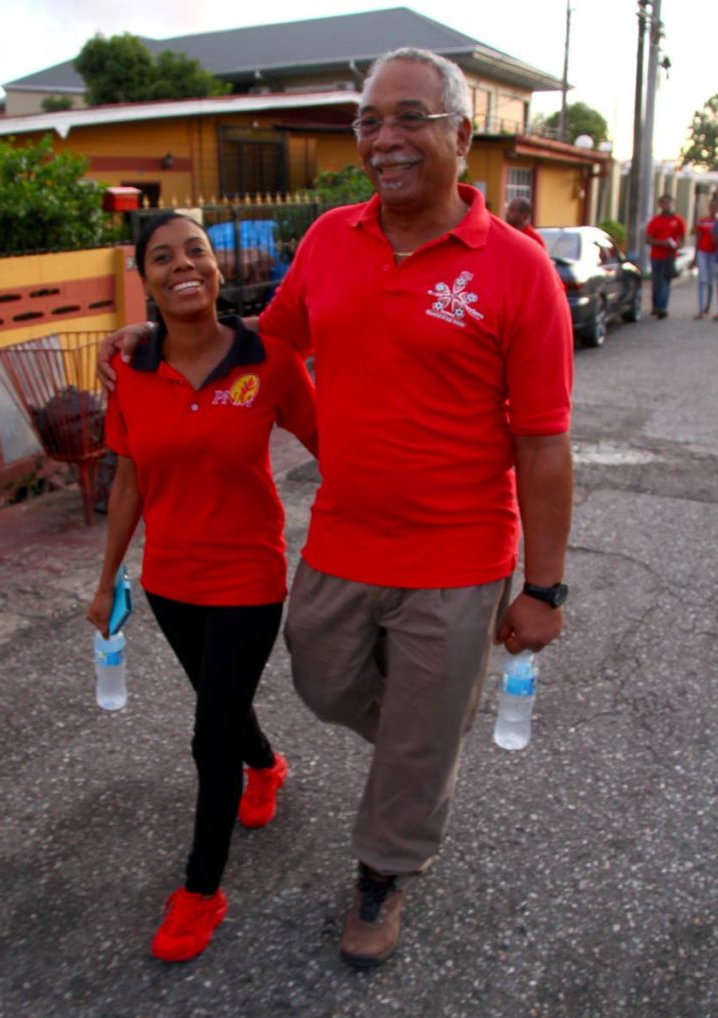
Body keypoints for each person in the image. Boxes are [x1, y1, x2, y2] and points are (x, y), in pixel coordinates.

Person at [99, 47, 573, 970]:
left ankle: (382, 871)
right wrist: (158, 335)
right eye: (369, 122)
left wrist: (546, 588)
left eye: (409, 118)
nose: (384, 140)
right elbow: (264, 347)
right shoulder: (328, 240)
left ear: (461, 136)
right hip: (344, 542)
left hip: (461, 554)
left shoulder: (517, 272)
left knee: (414, 747)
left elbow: (545, 441)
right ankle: (423, 744)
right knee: (321, 680)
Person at [87, 212, 317, 963]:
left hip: (250, 576)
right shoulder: (131, 368)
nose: (183, 265)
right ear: (145, 280)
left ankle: (200, 892)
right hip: (170, 582)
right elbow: (128, 480)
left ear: (218, 270)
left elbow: (336, 448)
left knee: (207, 733)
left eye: (197, 252)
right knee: (222, 709)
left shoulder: (269, 359)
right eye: (163, 257)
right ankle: (265, 764)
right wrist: (106, 578)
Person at [645, 194, 686, 319]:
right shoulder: (655, 221)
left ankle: (661, 308)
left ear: (672, 204)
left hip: (669, 256)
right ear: (660, 205)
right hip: (656, 255)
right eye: (664, 203)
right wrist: (662, 243)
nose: (666, 205)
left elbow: (682, 238)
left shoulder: (678, 220)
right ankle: (655, 305)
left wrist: (677, 245)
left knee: (665, 282)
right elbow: (648, 239)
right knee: (656, 282)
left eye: (669, 203)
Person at [690, 196, 717, 319]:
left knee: (712, 282)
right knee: (702, 280)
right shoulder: (702, 221)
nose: (713, 208)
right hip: (703, 252)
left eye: (715, 206)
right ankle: (701, 309)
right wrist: (694, 257)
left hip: (715, 254)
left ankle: (708, 306)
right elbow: (698, 238)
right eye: (711, 206)